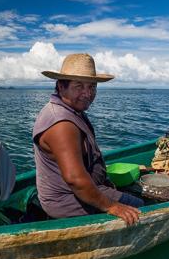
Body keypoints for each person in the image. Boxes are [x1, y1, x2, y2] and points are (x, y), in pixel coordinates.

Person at [33, 53, 143, 225]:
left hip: (86, 189)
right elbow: (75, 180)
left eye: (92, 87)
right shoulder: (61, 123)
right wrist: (111, 206)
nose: (87, 93)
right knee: (140, 206)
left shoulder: (72, 110)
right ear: (61, 87)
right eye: (79, 86)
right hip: (67, 201)